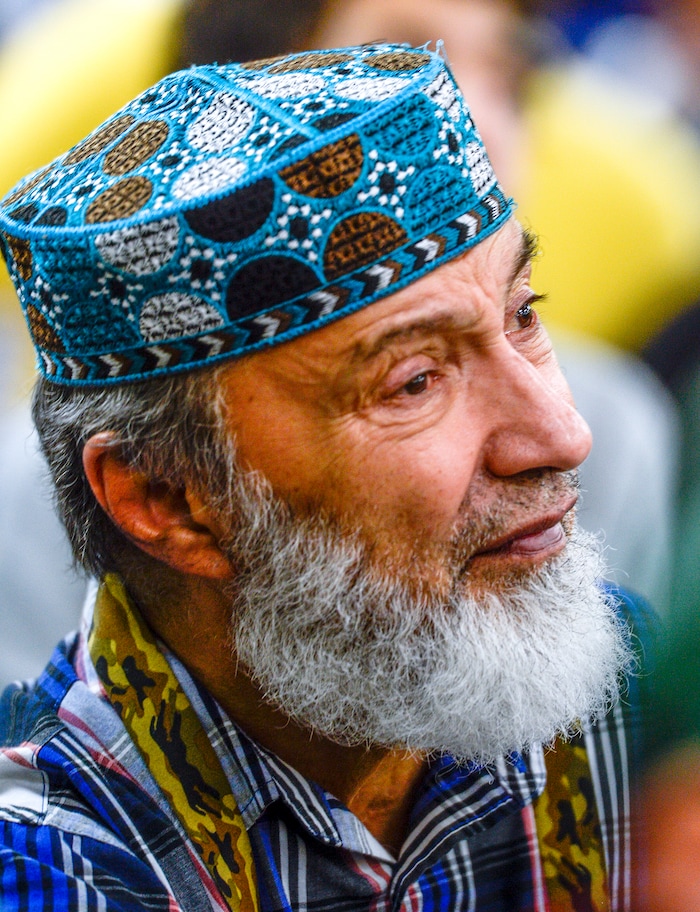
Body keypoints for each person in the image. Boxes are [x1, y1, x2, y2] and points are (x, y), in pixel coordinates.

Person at [0, 43, 652, 910]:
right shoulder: (50, 865)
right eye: (414, 381)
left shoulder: (620, 687)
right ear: (170, 500)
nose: (562, 434)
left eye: (524, 315)